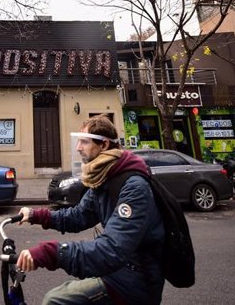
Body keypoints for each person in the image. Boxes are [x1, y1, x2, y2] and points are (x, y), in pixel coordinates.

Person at [16, 115, 165, 304]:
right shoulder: (105, 178)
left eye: (84, 142)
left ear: (103, 145)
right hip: (116, 271)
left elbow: (112, 249)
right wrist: (37, 215)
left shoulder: (133, 186)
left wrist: (52, 252)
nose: (78, 148)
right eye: (78, 141)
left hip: (135, 280)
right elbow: (78, 216)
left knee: (56, 300)